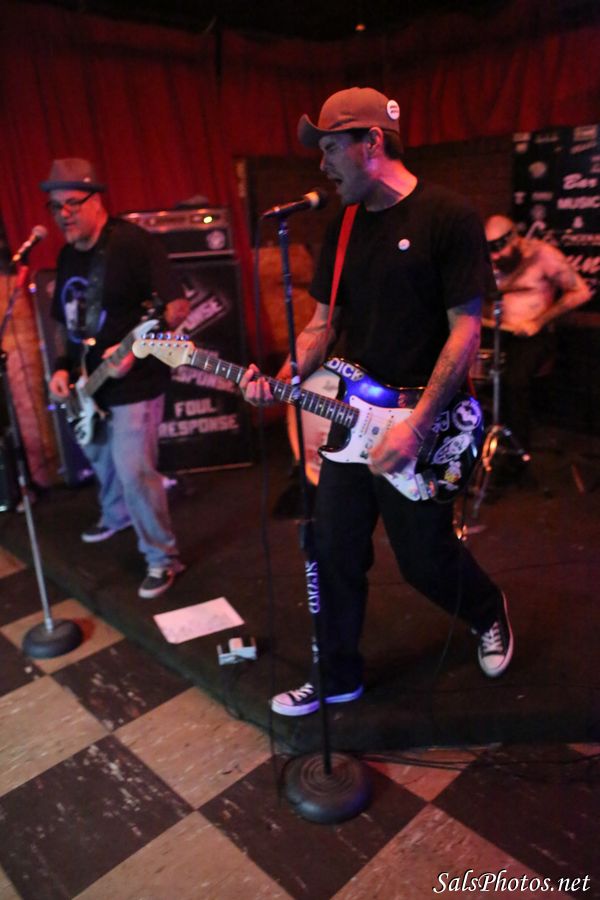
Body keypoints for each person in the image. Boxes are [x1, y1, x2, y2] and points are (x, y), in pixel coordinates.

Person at [241, 87, 513, 717]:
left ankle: (487, 610)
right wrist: (281, 377)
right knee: (332, 547)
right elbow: (322, 326)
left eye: (331, 148)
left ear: (371, 143)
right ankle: (337, 674)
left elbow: (465, 332)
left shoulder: (448, 216)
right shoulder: (343, 227)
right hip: (351, 421)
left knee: (423, 560)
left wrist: (416, 427)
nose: (322, 165)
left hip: (424, 423)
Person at [42, 158, 189, 599]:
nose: (63, 214)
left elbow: (177, 307)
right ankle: (116, 515)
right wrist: (62, 367)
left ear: (96, 199)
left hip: (135, 380)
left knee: (134, 470)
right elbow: (65, 321)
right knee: (101, 456)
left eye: (72, 203)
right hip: (90, 380)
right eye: (55, 206)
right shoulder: (68, 255)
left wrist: (135, 349)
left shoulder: (133, 244)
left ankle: (162, 558)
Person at [484, 215, 591, 455]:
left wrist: (538, 321)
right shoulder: (488, 260)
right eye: (491, 252)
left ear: (515, 238)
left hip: (533, 336)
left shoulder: (543, 255)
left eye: (499, 251)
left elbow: (581, 292)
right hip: (497, 332)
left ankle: (516, 452)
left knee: (514, 382)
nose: (495, 258)